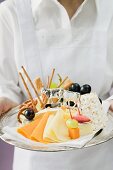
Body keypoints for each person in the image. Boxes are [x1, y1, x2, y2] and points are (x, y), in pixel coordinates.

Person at [0, 0, 113, 169]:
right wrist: (4, 99)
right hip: (34, 159)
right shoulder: (11, 11)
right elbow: (4, 84)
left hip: (99, 158)